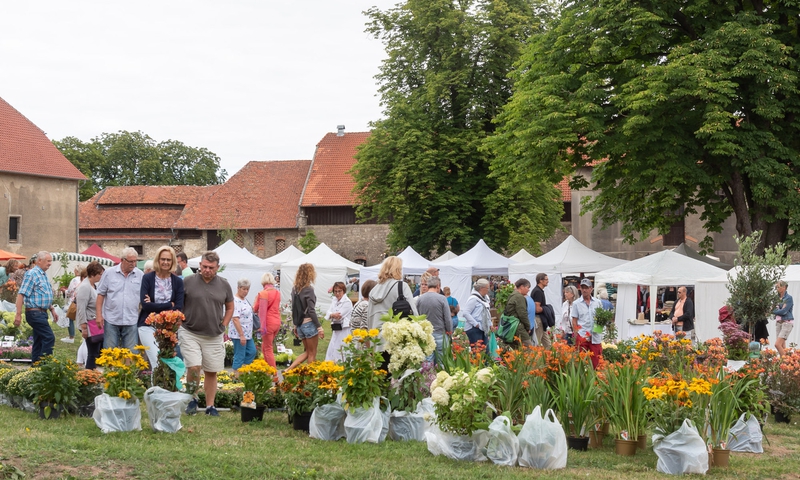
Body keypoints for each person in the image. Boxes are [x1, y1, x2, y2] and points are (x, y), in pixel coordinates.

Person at [182, 251, 234, 417]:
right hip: (190, 331)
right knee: (194, 366)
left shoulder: (224, 284)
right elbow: (178, 303)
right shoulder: (188, 282)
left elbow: (230, 306)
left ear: (217, 267)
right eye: (204, 266)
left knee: (212, 370)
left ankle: (210, 406)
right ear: (200, 265)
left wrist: (224, 323)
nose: (207, 270)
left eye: (211, 267)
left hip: (213, 334)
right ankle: (192, 399)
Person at [139, 246, 185, 369]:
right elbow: (145, 306)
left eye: (168, 260)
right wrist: (169, 304)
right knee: (156, 359)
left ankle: (165, 388)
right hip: (147, 325)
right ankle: (156, 388)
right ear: (158, 260)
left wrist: (154, 305)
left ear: (173, 262)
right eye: (162, 259)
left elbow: (178, 308)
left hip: (168, 328)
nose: (165, 262)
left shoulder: (178, 282)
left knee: (168, 361)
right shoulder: (147, 278)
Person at [96, 247, 143, 350]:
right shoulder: (109, 273)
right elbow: (100, 294)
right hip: (111, 319)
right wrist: (99, 315)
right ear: (122, 260)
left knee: (131, 355)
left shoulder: (140, 275)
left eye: (135, 261)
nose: (133, 264)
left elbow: (144, 296)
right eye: (130, 261)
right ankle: (110, 367)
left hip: (131, 320)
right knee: (109, 353)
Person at [14, 251, 57, 363]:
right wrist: (18, 314)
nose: (50, 263)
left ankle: (36, 367)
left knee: (39, 340)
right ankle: (44, 366)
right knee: (49, 338)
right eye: (48, 261)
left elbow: (43, 295)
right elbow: (21, 294)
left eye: (50, 261)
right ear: (39, 261)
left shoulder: (43, 274)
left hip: (41, 313)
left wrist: (52, 309)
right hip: (35, 313)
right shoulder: (32, 274)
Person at [367, 256, 419, 334]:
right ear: (398, 270)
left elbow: (369, 316)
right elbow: (414, 313)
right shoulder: (401, 286)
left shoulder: (374, 290)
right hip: (396, 336)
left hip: (376, 336)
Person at [287, 263, 323, 370]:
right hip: (309, 323)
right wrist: (319, 327)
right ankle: (310, 378)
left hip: (299, 324)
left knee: (307, 352)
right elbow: (311, 310)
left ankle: (288, 370)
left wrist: (295, 325)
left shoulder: (294, 289)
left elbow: (294, 308)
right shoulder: (309, 289)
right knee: (312, 353)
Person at [76, 262, 105, 369]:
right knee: (92, 353)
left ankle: (91, 374)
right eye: (100, 274)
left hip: (95, 323)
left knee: (95, 352)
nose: (102, 277)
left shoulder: (94, 285)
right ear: (93, 274)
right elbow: (81, 308)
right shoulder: (85, 287)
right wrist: (83, 327)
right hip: (89, 324)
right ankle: (88, 376)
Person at [417, 277, 451, 364]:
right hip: (440, 333)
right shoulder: (442, 298)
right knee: (441, 362)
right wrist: (450, 331)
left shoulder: (420, 299)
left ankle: (428, 377)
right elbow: (447, 318)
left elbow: (417, 317)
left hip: (426, 335)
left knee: (428, 362)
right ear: (438, 286)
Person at [573, 278, 603, 368]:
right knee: (580, 362)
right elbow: (574, 320)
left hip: (595, 336)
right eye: (582, 288)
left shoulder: (598, 303)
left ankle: (596, 380)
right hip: (582, 335)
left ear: (591, 289)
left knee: (596, 362)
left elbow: (601, 318)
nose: (584, 290)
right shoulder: (576, 303)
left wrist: (598, 330)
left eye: (586, 288)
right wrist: (576, 334)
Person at [230, 279, 256, 373]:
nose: (246, 291)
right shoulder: (235, 301)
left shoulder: (244, 300)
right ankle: (237, 376)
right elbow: (235, 318)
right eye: (243, 289)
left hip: (247, 333)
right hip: (239, 333)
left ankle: (243, 371)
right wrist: (241, 335)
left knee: (252, 351)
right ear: (238, 288)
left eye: (247, 289)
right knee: (240, 354)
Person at [254, 272, 281, 368]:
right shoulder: (277, 293)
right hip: (277, 322)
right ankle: (267, 369)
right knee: (265, 346)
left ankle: (274, 375)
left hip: (267, 324)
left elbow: (255, 308)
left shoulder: (263, 294)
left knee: (268, 348)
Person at [325, 281, 353, 362]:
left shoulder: (347, 302)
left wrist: (331, 315)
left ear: (343, 291)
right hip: (335, 329)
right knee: (333, 348)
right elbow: (328, 314)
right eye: (335, 291)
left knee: (342, 349)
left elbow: (339, 316)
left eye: (339, 291)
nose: (337, 293)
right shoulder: (334, 300)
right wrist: (332, 315)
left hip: (344, 330)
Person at [504, 278, 533, 348]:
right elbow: (522, 314)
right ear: (522, 287)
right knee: (529, 348)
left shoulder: (512, 295)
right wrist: (528, 327)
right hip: (518, 326)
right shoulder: (519, 297)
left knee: (515, 350)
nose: (528, 290)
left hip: (511, 326)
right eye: (527, 287)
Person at [462, 278, 490, 346]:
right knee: (477, 351)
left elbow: (487, 313)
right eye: (487, 288)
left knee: (485, 351)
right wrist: (475, 324)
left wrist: (490, 323)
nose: (488, 290)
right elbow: (465, 313)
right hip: (474, 329)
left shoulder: (485, 299)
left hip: (483, 328)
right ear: (481, 288)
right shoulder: (473, 299)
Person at [62, 265, 85, 344]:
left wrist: (64, 290)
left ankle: (71, 336)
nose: (74, 271)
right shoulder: (85, 280)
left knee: (69, 318)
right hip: (82, 303)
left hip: (73, 302)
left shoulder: (74, 280)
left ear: (77, 271)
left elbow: (69, 292)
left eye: (75, 270)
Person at [531, 273, 552, 348]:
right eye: (546, 279)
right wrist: (546, 308)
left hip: (541, 320)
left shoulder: (539, 291)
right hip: (538, 319)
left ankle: (550, 358)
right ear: (540, 280)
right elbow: (537, 309)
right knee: (537, 343)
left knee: (548, 344)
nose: (548, 281)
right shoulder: (538, 292)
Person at [773, 280, 793, 356]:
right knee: (782, 346)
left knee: (777, 345)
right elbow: (773, 309)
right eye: (776, 287)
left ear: (784, 287)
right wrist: (778, 309)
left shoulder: (788, 298)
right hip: (778, 322)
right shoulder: (776, 298)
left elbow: (784, 312)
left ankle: (785, 363)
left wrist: (776, 310)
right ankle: (784, 365)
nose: (777, 288)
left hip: (786, 322)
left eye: (778, 287)